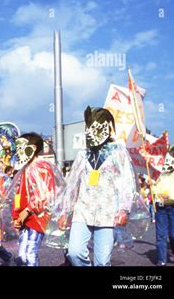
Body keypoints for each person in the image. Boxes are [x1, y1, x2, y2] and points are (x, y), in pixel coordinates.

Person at [57, 106, 136, 266]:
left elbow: (127, 181)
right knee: (74, 252)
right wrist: (65, 211)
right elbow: (72, 184)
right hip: (82, 211)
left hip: (107, 213)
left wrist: (124, 209)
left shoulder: (118, 151)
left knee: (102, 262)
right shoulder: (82, 154)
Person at [11, 133, 59, 266]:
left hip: (37, 217)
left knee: (31, 253)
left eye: (21, 149)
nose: (18, 153)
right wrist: (16, 216)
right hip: (24, 219)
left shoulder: (42, 167)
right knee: (22, 256)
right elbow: (18, 194)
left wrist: (27, 211)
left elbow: (45, 195)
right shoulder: (24, 169)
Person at [151, 146, 174, 265]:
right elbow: (154, 188)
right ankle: (161, 260)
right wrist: (153, 188)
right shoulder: (159, 172)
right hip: (161, 207)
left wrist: (173, 197)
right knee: (161, 236)